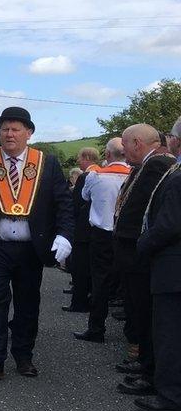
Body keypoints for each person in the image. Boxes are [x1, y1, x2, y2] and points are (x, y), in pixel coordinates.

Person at [0, 106, 73, 379]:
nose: (9, 134)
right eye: (4, 129)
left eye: (15, 129)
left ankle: (24, 356)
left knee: (27, 304)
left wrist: (65, 235)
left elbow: (64, 204)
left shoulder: (48, 163)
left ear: (29, 133)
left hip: (30, 248)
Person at [109, 124, 176, 396]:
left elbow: (147, 210)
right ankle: (144, 362)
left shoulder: (159, 164)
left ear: (137, 142)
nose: (123, 152)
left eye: (125, 146)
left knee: (145, 311)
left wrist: (139, 242)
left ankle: (148, 367)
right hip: (132, 245)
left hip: (139, 248)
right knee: (139, 308)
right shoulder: (146, 165)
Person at [134, 116, 181, 411]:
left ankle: (171, 396)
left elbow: (170, 224)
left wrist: (144, 243)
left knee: (170, 333)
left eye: (171, 135)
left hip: (173, 268)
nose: (169, 140)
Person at [74, 138, 129, 343]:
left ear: (107, 155)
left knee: (100, 282)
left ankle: (97, 328)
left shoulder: (96, 176)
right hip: (125, 234)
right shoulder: (134, 175)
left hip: (101, 234)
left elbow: (85, 197)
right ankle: (131, 335)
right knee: (127, 282)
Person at [66, 147, 101, 313]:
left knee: (80, 268)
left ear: (87, 157)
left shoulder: (86, 177)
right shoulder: (103, 173)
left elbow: (76, 203)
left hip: (83, 229)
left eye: (79, 158)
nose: (78, 162)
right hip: (98, 228)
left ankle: (79, 302)